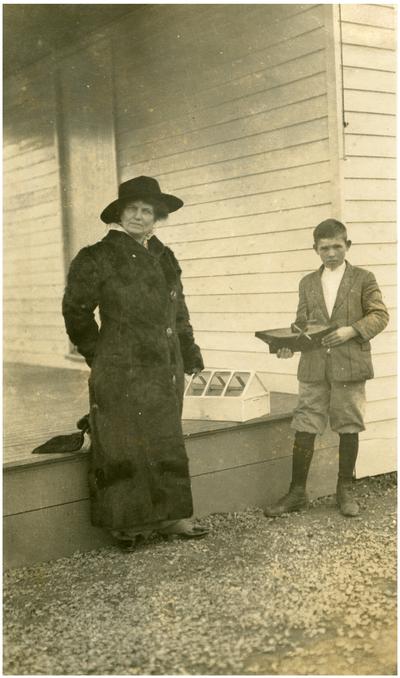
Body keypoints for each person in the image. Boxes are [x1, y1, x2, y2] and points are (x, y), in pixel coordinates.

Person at [62, 176, 208, 548]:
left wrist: (189, 351)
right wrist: (100, 353)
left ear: (157, 216)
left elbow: (179, 310)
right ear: (119, 213)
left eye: (148, 211)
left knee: (165, 440)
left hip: (164, 366)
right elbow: (76, 311)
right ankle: (126, 525)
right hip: (119, 368)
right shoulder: (96, 257)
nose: (140, 217)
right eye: (133, 210)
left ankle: (171, 518)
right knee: (121, 442)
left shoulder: (165, 256)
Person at [264, 219, 389, 518]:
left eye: (336, 246)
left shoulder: (363, 278)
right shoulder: (307, 282)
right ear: (315, 249)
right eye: (324, 248)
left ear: (347, 245)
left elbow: (380, 315)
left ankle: (345, 490)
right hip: (314, 367)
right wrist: (288, 344)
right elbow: (301, 324)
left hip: (350, 366)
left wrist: (351, 331)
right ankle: (296, 492)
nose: (331, 253)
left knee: (348, 424)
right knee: (305, 424)